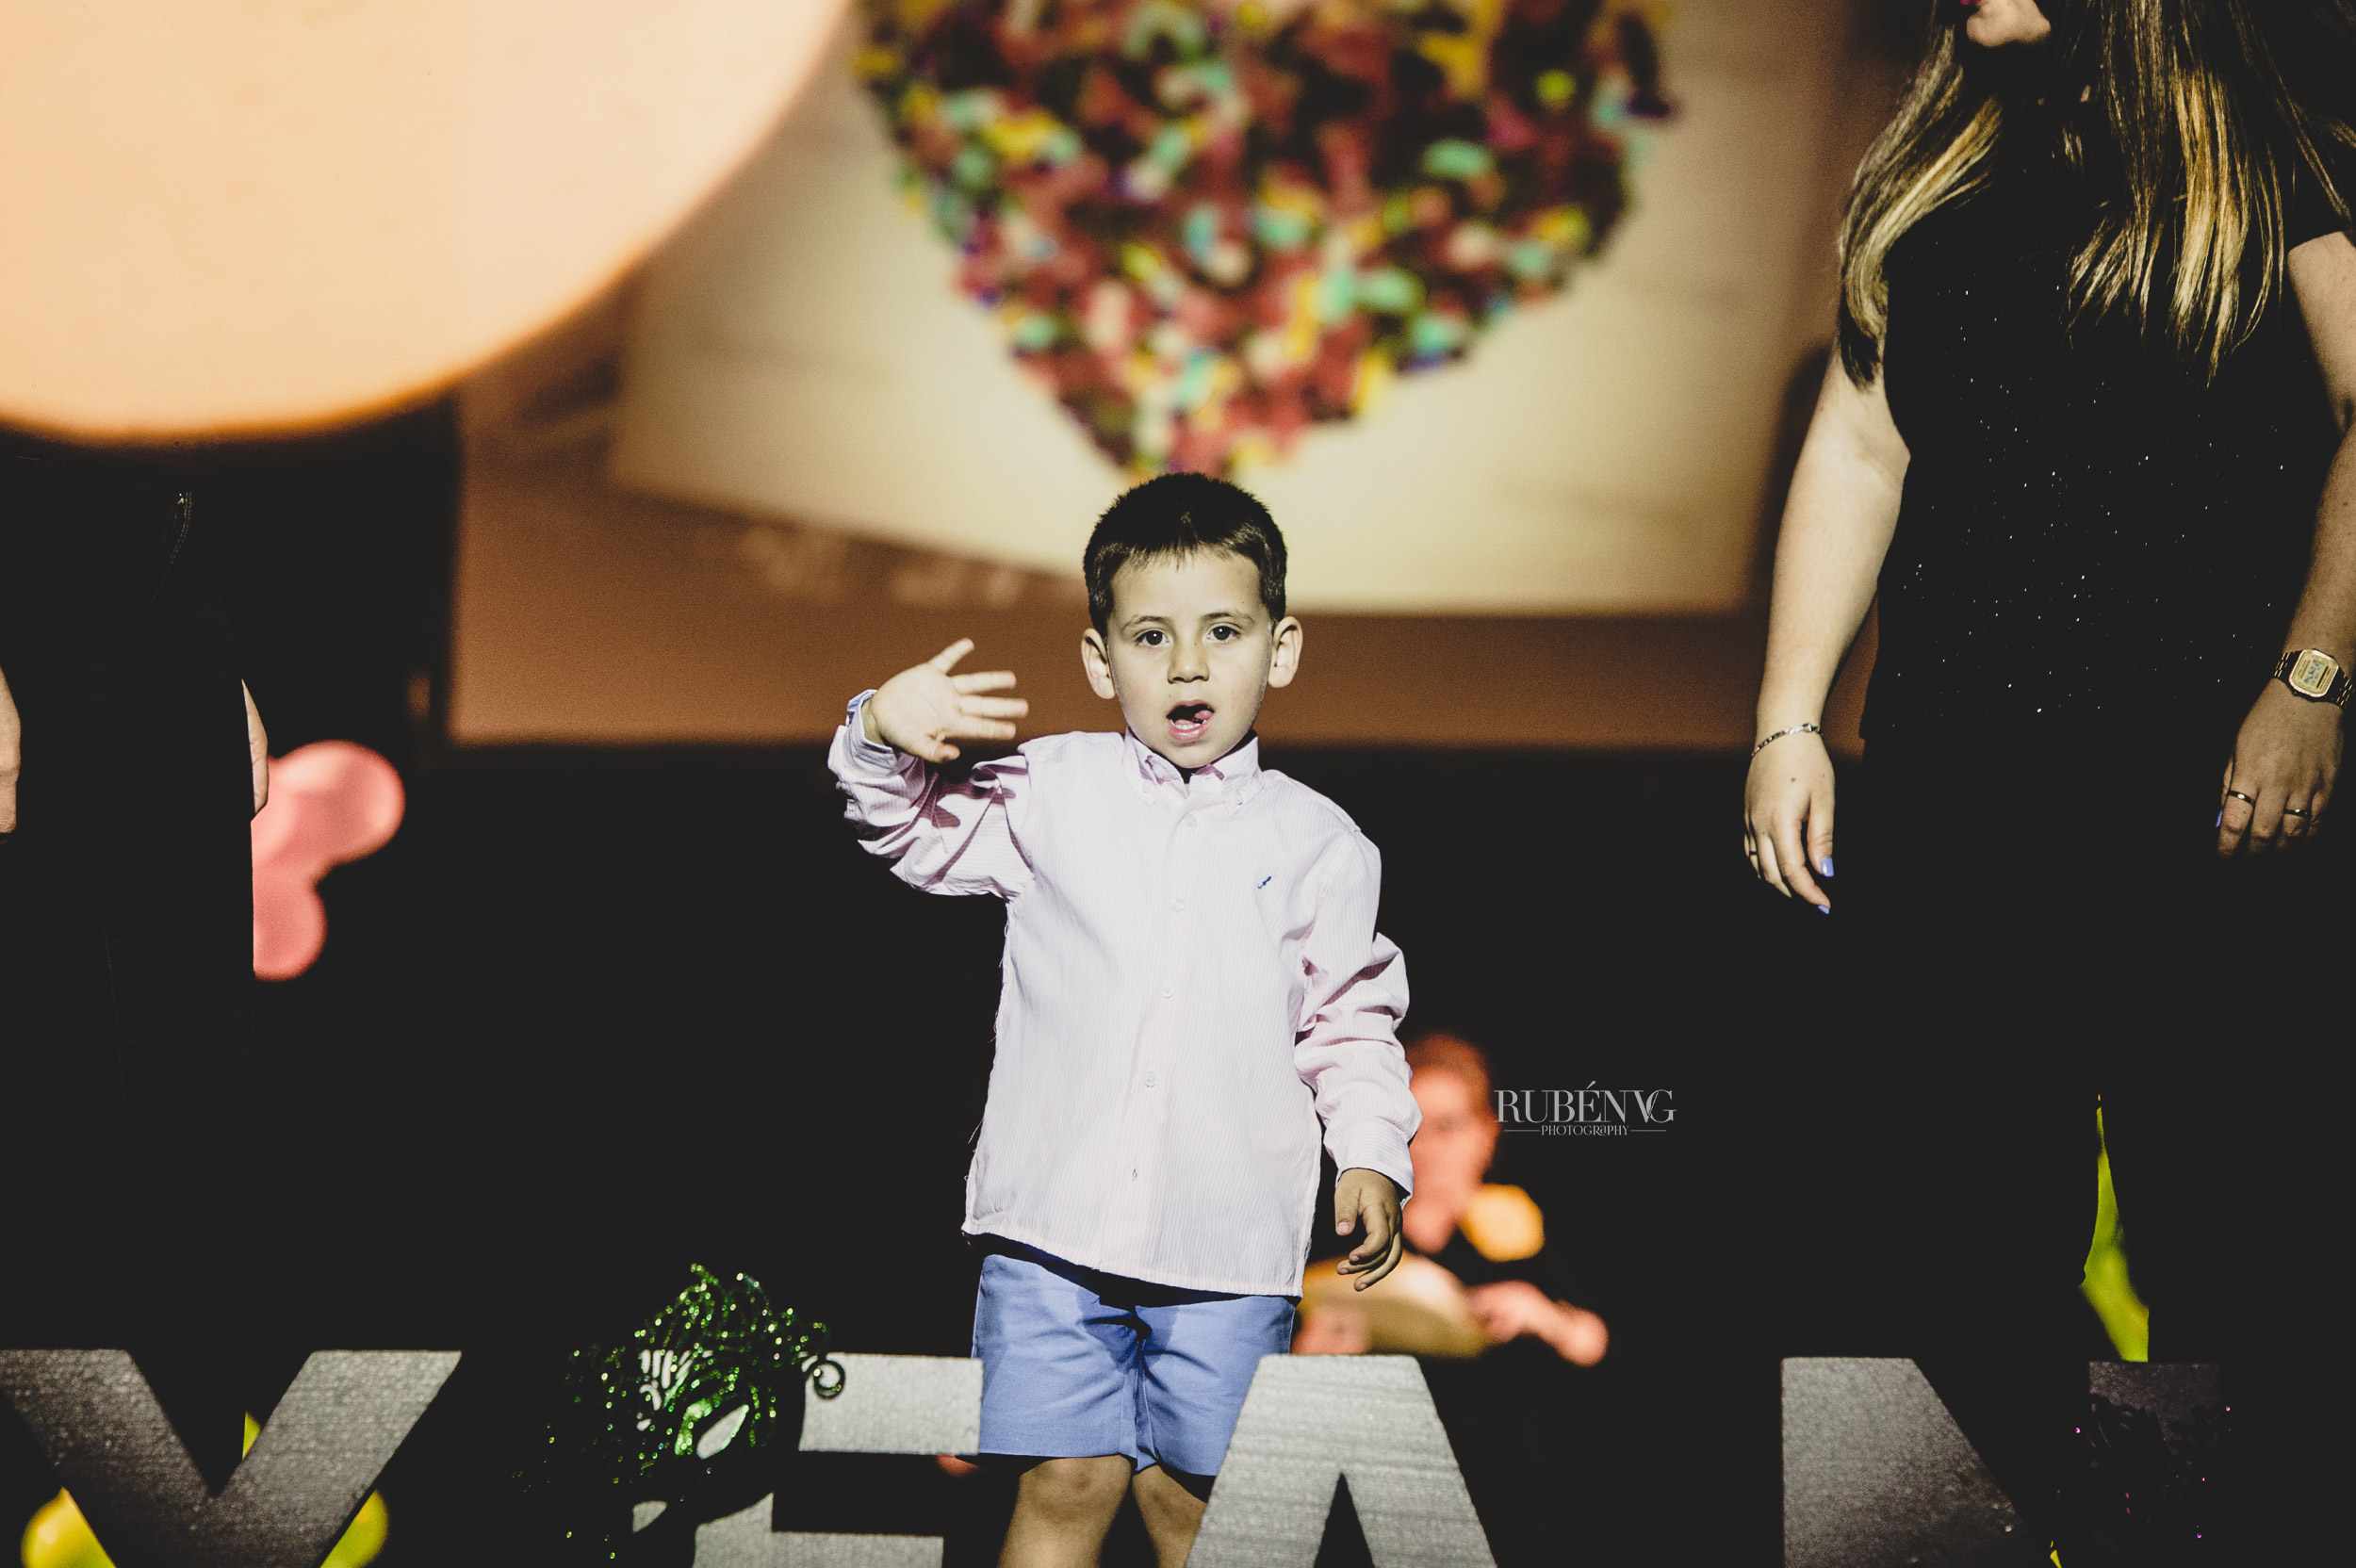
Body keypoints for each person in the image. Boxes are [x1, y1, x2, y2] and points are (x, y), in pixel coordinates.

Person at [1742, 0, 2353, 1557]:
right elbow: (1861, 446)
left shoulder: (2262, 160)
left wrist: (2311, 678)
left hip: (2201, 799)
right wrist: (1789, 717)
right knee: (1938, 1240)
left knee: (2221, 1240)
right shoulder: (1935, 167)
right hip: (1952, 788)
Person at [828, 472, 1420, 1568]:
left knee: (1192, 1505)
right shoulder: (1049, 787)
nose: (1188, 664)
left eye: (1223, 630)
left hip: (1225, 1239)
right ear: (1101, 660)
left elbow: (1350, 1019)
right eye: (1152, 635)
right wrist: (876, 727)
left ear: (1281, 647)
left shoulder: (1323, 843)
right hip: (1053, 1226)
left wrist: (1372, 1150)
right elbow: (906, 829)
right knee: (1064, 1479)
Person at [1, 447, 270, 1493]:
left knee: (189, 1095)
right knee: (40, 1075)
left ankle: (182, 1507)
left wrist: (186, 635)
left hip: (153, 535)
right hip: (32, 535)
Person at [1294, 1034, 1604, 1568]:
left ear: (1487, 1132)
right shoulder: (1346, 1239)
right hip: (1379, 1514)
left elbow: (1599, 1345)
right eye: (1413, 1128)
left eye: (1449, 1126)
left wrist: (1547, 1317)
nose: (1431, 1146)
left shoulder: (1527, 1239)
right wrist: (1309, 1369)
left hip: (1508, 1508)